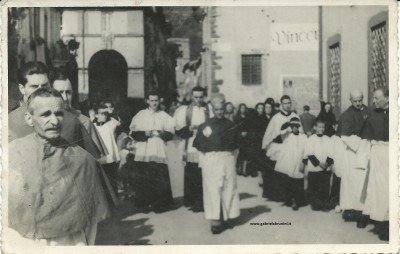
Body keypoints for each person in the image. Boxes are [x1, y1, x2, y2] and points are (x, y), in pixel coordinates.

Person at [7, 88, 110, 246]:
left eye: (59, 113)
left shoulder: (84, 161)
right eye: (45, 114)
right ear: (29, 118)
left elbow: (90, 227)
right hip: (22, 242)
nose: (54, 121)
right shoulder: (11, 154)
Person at [193, 93, 241, 234]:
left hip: (227, 159)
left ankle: (229, 217)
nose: (219, 112)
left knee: (228, 187)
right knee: (212, 190)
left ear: (225, 108)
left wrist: (233, 160)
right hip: (211, 160)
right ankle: (215, 221)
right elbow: (200, 148)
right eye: (217, 109)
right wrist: (204, 163)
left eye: (221, 109)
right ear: (213, 109)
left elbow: (236, 147)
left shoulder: (232, 125)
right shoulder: (205, 126)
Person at [129, 91, 175, 213]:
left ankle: (159, 204)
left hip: (158, 149)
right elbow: (133, 133)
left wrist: (163, 133)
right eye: (152, 100)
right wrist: (145, 133)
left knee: (159, 177)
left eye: (156, 100)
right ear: (147, 101)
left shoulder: (164, 115)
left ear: (159, 101)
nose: (154, 103)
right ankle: (144, 204)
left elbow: (171, 133)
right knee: (144, 177)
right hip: (144, 150)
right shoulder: (141, 115)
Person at [51, 68, 108, 159]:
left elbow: (95, 159)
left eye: (68, 92)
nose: (65, 98)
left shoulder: (84, 121)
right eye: (60, 92)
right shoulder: (43, 120)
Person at [359, 87, 389, 240]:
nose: (374, 101)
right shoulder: (372, 115)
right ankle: (382, 222)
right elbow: (366, 138)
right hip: (378, 155)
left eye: (377, 98)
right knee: (379, 189)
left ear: (388, 98)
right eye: (374, 98)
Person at [336, 89, 370, 223]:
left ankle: (364, 211)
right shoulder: (346, 115)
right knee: (351, 182)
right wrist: (358, 142)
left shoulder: (369, 111)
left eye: (360, 100)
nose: (358, 103)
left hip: (366, 150)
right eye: (355, 101)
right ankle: (351, 209)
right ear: (350, 100)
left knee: (364, 182)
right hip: (352, 152)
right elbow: (344, 136)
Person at [174, 86, 209, 212]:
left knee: (203, 174)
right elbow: (178, 129)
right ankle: (191, 200)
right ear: (192, 96)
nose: (198, 100)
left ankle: (202, 201)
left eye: (201, 97)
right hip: (190, 144)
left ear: (204, 97)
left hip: (204, 145)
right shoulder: (185, 110)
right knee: (191, 173)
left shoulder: (208, 109)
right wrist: (188, 129)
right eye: (196, 97)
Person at [262, 95, 302, 201]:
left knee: (292, 170)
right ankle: (281, 195)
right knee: (281, 171)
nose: (287, 105)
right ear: (281, 104)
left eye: (289, 103)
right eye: (285, 103)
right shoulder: (276, 118)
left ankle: (291, 195)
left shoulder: (295, 116)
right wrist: (267, 145)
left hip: (292, 147)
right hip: (280, 146)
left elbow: (300, 131)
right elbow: (269, 133)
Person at [273, 117, 307, 210]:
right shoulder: (287, 136)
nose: (295, 128)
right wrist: (289, 122)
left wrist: (303, 162)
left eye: (296, 126)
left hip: (299, 162)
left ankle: (298, 200)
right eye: (293, 126)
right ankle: (292, 200)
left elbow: (306, 150)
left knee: (298, 182)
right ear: (290, 127)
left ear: (299, 127)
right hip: (289, 163)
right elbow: (282, 130)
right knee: (289, 182)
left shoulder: (303, 137)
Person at [304, 119, 334, 211]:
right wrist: (319, 164)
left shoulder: (328, 139)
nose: (321, 129)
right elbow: (309, 153)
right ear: (315, 127)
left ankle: (324, 203)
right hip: (315, 167)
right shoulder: (311, 139)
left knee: (325, 186)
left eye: (323, 127)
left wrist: (327, 163)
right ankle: (315, 204)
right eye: (319, 127)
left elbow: (331, 152)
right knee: (314, 186)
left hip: (325, 167)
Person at [95, 103, 121, 195]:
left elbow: (117, 120)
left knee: (112, 181)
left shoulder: (111, 124)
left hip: (110, 158)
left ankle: (115, 203)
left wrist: (110, 112)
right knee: (101, 182)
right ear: (96, 115)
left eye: (106, 114)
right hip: (100, 158)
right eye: (102, 114)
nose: (104, 116)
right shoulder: (93, 126)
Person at [247, 103, 269, 177]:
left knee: (262, 157)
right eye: (259, 108)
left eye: (262, 108)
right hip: (255, 140)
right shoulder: (253, 117)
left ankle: (261, 174)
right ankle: (253, 171)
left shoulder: (265, 118)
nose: (261, 110)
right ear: (256, 109)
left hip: (262, 139)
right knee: (254, 155)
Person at [234, 103, 249, 176]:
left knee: (245, 154)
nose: (243, 109)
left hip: (246, 138)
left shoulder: (248, 117)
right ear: (239, 109)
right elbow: (235, 128)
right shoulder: (236, 117)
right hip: (239, 138)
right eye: (241, 108)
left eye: (244, 108)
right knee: (239, 154)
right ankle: (238, 169)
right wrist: (240, 133)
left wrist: (247, 132)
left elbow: (250, 126)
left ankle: (244, 170)